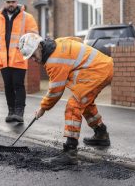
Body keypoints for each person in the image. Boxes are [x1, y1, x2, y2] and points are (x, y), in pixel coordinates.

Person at [18, 33, 114, 165]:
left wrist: (43, 108)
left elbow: (55, 91)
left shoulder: (54, 60)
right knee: (85, 103)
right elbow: (76, 40)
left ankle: (70, 152)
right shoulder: (57, 43)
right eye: (30, 58)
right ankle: (101, 133)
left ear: (39, 46)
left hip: (97, 71)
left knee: (73, 106)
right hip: (102, 67)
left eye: (33, 55)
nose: (33, 59)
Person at [0, 0, 38, 123]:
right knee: (8, 85)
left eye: (13, 2)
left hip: (19, 58)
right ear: (5, 2)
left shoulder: (27, 18)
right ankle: (11, 111)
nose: (11, 4)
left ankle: (19, 112)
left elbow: (33, 36)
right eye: (8, 2)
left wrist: (25, 49)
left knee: (18, 85)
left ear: (17, 2)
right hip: (3, 59)